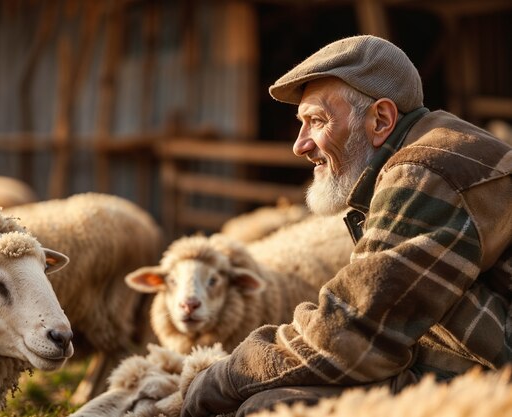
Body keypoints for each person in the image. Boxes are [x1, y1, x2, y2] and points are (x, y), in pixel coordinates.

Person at [181, 35, 512, 417]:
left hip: (491, 374)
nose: (300, 145)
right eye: (300, 124)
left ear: (381, 120)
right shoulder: (430, 149)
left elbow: (351, 330)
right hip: (470, 355)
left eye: (317, 121)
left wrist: (217, 380)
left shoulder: (427, 170)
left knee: (266, 408)